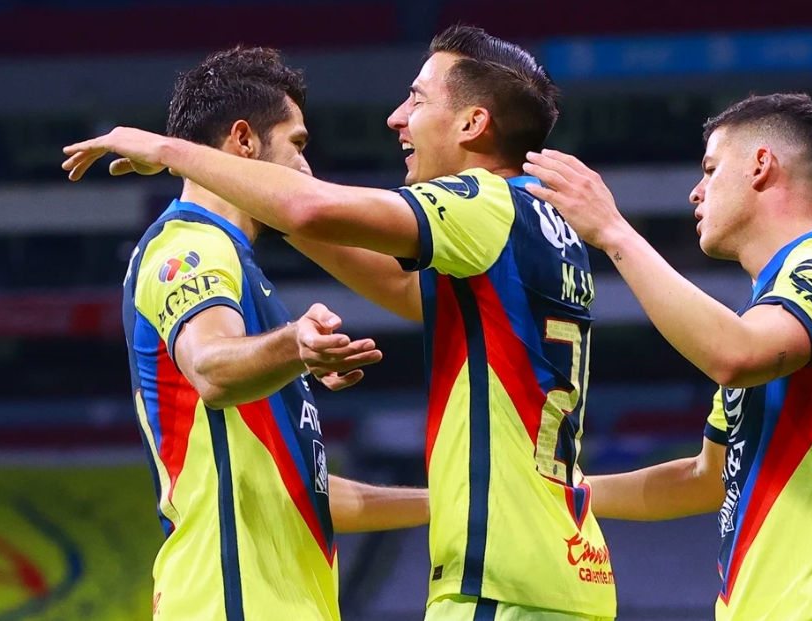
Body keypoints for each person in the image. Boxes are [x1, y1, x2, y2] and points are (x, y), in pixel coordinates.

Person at [64, 26, 617, 621]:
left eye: (417, 99)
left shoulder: (484, 202)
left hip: (500, 583)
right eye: (298, 144)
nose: (396, 118)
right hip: (549, 569)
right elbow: (389, 294)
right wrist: (448, 499)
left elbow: (308, 207)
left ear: (472, 123)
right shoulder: (542, 226)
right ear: (244, 141)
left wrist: (168, 149)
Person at [523, 93, 812, 620]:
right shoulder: (764, 319)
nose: (695, 192)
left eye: (710, 169)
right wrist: (561, 492)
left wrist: (612, 231)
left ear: (761, 165)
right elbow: (705, 477)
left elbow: (735, 354)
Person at [118, 47, 428, 621]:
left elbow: (305, 492)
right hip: (229, 600)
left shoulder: (244, 273)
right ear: (243, 140)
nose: (306, 170)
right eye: (298, 145)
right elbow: (210, 369)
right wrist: (293, 344)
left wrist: (452, 504)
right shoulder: (191, 246)